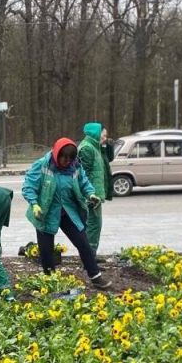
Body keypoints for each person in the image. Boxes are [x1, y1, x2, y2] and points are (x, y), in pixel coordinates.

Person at [22, 137, 112, 289]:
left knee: (83, 242)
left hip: (68, 211)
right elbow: (29, 186)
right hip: (45, 212)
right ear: (57, 154)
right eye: (64, 158)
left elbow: (84, 182)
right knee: (46, 249)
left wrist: (90, 194)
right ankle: (50, 281)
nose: (67, 162)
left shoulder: (75, 166)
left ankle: (95, 276)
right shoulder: (42, 165)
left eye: (70, 158)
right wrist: (34, 204)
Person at [77, 122, 113, 254]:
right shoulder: (87, 148)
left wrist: (107, 146)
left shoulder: (95, 147)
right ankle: (89, 257)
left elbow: (108, 159)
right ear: (95, 134)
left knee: (95, 225)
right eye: (103, 136)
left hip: (95, 194)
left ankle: (91, 255)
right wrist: (88, 195)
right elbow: (82, 174)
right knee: (93, 225)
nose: (104, 138)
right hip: (91, 196)